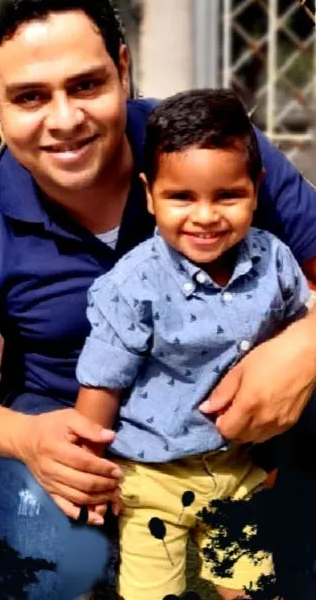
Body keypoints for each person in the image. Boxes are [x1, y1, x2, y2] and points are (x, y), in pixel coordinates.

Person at [0, 0, 316, 600]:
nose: (65, 120)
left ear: (122, 68)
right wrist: (26, 438)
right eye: (29, 97)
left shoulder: (208, 153)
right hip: (71, 430)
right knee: (52, 572)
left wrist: (305, 349)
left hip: (239, 419)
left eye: (86, 85)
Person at [74, 88, 309, 600]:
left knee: (250, 584)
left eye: (228, 195)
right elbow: (101, 386)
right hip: (151, 479)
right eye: (182, 197)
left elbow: (300, 341)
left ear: (256, 187)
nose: (205, 217)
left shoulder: (275, 262)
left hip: (236, 468)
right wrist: (91, 475)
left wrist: (278, 458)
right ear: (150, 194)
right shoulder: (133, 285)